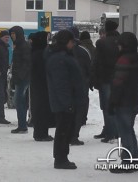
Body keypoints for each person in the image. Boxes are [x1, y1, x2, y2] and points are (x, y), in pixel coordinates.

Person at [45, 30, 86, 169]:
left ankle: (62, 157)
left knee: (65, 130)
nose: (73, 44)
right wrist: (67, 103)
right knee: (63, 130)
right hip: (64, 102)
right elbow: (61, 84)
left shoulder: (61, 56)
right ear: (65, 42)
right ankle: (60, 159)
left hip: (67, 100)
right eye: (71, 41)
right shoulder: (59, 58)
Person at [109, 32, 138, 173]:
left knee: (124, 132)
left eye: (119, 44)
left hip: (123, 101)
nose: (117, 46)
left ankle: (127, 162)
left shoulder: (124, 59)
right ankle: (134, 159)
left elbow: (118, 83)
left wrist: (112, 102)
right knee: (129, 129)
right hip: (134, 98)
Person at [91, 20, 119, 143]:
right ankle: (115, 131)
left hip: (105, 78)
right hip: (120, 78)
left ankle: (109, 132)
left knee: (107, 106)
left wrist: (93, 79)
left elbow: (96, 62)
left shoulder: (101, 43)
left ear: (106, 29)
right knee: (116, 105)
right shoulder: (121, 41)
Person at [68, 27, 91, 146]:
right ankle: (74, 134)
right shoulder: (83, 51)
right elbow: (89, 68)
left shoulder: (64, 51)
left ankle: (67, 134)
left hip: (68, 85)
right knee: (79, 110)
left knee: (69, 109)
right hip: (82, 85)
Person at [30, 31, 55, 142]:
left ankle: (40, 132)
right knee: (42, 109)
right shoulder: (41, 53)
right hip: (42, 85)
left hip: (36, 84)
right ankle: (41, 133)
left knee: (39, 108)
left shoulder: (34, 51)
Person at [9, 26, 31, 134]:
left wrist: (20, 76)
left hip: (22, 78)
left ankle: (22, 126)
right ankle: (21, 125)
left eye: (14, 34)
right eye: (11, 34)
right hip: (20, 77)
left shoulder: (23, 46)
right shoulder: (18, 45)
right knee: (19, 101)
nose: (12, 36)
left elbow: (26, 63)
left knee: (18, 101)